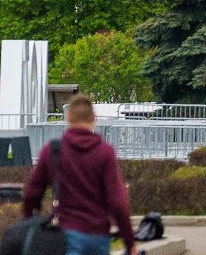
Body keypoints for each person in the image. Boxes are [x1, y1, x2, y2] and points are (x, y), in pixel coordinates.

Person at [22, 93, 137, 255]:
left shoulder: (53, 151)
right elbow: (117, 202)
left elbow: (32, 193)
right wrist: (129, 242)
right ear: (93, 118)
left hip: (67, 234)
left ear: (68, 117)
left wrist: (29, 223)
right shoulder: (105, 152)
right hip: (99, 237)